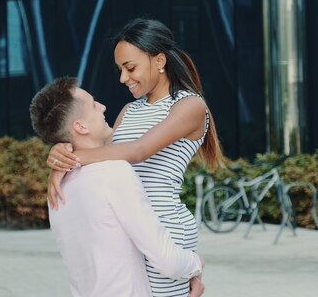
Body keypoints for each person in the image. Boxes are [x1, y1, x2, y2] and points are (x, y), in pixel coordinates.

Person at [46, 18, 224, 297]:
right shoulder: (129, 110)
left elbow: (139, 150)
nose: (123, 78)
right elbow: (99, 153)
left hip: (165, 229)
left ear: (160, 61)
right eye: (120, 70)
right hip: (131, 230)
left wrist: (75, 156)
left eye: (130, 68)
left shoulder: (189, 105)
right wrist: (61, 154)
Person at [29, 77, 204, 297]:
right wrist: (196, 263)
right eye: (93, 105)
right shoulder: (114, 173)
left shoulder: (57, 187)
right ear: (80, 126)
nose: (103, 107)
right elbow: (167, 261)